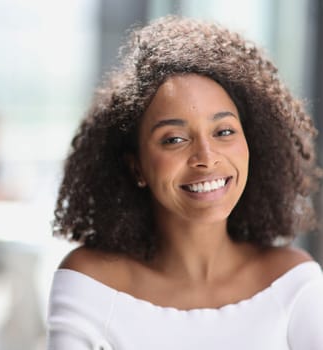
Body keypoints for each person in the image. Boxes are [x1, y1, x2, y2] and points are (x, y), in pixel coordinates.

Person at [47, 16, 323, 349]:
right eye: (174, 139)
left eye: (223, 132)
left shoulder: (292, 283)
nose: (206, 156)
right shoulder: (92, 285)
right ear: (136, 167)